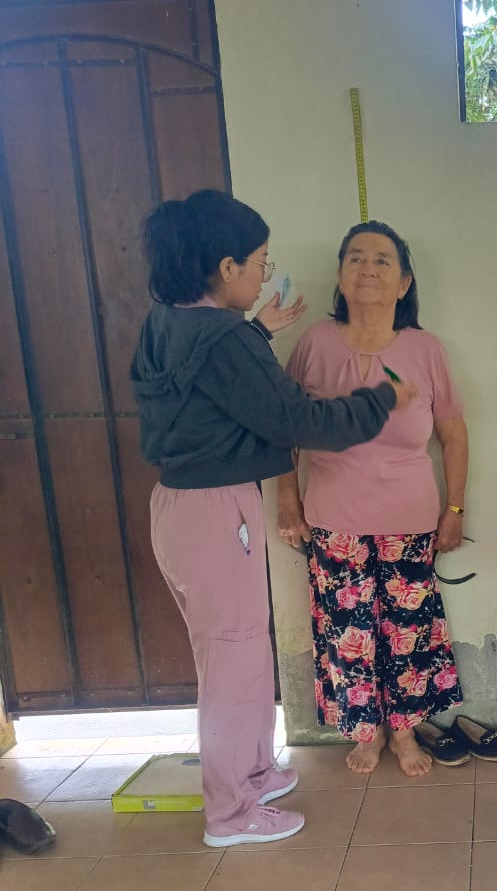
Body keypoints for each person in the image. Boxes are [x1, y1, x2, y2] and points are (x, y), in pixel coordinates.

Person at [131, 190, 413, 848]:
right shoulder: (225, 338)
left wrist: (257, 333)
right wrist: (381, 398)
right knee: (232, 663)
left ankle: (254, 773)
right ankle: (231, 814)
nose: (264, 275)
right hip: (213, 512)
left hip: (184, 506)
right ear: (226, 267)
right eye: (259, 263)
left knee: (241, 651)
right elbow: (296, 420)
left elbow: (200, 387)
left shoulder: (169, 320)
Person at [276, 221, 468, 777]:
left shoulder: (425, 349)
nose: (368, 268)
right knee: (349, 634)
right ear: (340, 276)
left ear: (404, 283)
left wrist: (455, 509)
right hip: (333, 519)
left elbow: (453, 434)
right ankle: (368, 732)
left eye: (383, 260)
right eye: (356, 258)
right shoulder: (314, 344)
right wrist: (287, 503)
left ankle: (405, 732)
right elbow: (283, 432)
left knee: (408, 634)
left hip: (410, 521)